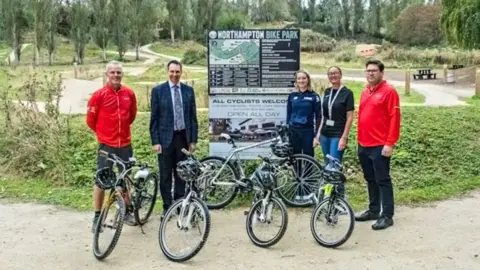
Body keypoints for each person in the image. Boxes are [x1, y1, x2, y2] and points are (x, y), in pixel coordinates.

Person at [86, 60, 138, 232]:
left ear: (122, 74)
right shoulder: (98, 95)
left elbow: (131, 116)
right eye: (112, 72)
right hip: (106, 146)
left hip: (125, 144)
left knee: (124, 178)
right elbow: (91, 121)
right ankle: (97, 216)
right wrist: (104, 134)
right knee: (101, 180)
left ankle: (128, 211)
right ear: (106, 74)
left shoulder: (129, 94)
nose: (116, 75)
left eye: (118, 72)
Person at [149, 59, 198, 220]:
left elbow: (192, 117)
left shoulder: (188, 91)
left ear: (181, 72)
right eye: (172, 71)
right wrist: (155, 141)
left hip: (183, 138)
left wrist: (193, 140)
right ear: (167, 72)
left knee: (181, 174)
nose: (175, 75)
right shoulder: (158, 91)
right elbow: (154, 118)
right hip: (164, 139)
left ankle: (179, 205)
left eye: (177, 72)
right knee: (165, 175)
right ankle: (167, 207)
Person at [355, 59, 400, 230]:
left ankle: (387, 215)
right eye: (368, 71)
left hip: (380, 145)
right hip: (363, 144)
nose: (370, 73)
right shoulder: (365, 91)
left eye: (374, 70)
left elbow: (394, 119)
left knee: (383, 180)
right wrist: (359, 140)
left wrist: (390, 143)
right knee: (370, 179)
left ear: (382, 73)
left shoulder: (389, 92)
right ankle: (374, 210)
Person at [313, 66, 354, 198]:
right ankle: (328, 196)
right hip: (325, 133)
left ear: (340, 75)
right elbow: (324, 116)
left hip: (338, 134)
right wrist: (318, 135)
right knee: (327, 165)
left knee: (335, 166)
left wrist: (344, 137)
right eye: (330, 74)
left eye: (335, 73)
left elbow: (350, 117)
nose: (333, 76)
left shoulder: (347, 93)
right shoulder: (327, 92)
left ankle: (340, 198)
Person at [286, 69, 322, 202]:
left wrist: (316, 137)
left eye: (303, 78)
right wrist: (287, 133)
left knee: (308, 161)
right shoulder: (292, 96)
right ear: (296, 81)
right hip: (294, 132)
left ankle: (307, 192)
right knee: (295, 162)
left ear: (308, 80)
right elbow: (288, 115)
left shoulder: (314, 96)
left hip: (308, 132)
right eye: (299, 78)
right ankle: (297, 191)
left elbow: (319, 118)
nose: (301, 81)